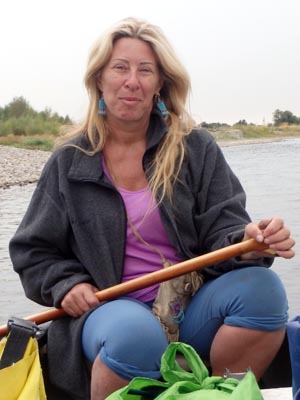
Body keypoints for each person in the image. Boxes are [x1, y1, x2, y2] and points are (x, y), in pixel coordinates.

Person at [9, 17, 295, 400]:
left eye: (146, 70)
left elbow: (224, 229)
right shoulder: (68, 160)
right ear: (99, 79)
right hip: (111, 314)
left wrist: (249, 242)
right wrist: (66, 284)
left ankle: (218, 393)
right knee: (134, 335)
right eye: (120, 68)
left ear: (160, 83)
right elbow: (32, 251)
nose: (132, 81)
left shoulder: (196, 148)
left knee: (264, 290)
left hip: (191, 309)